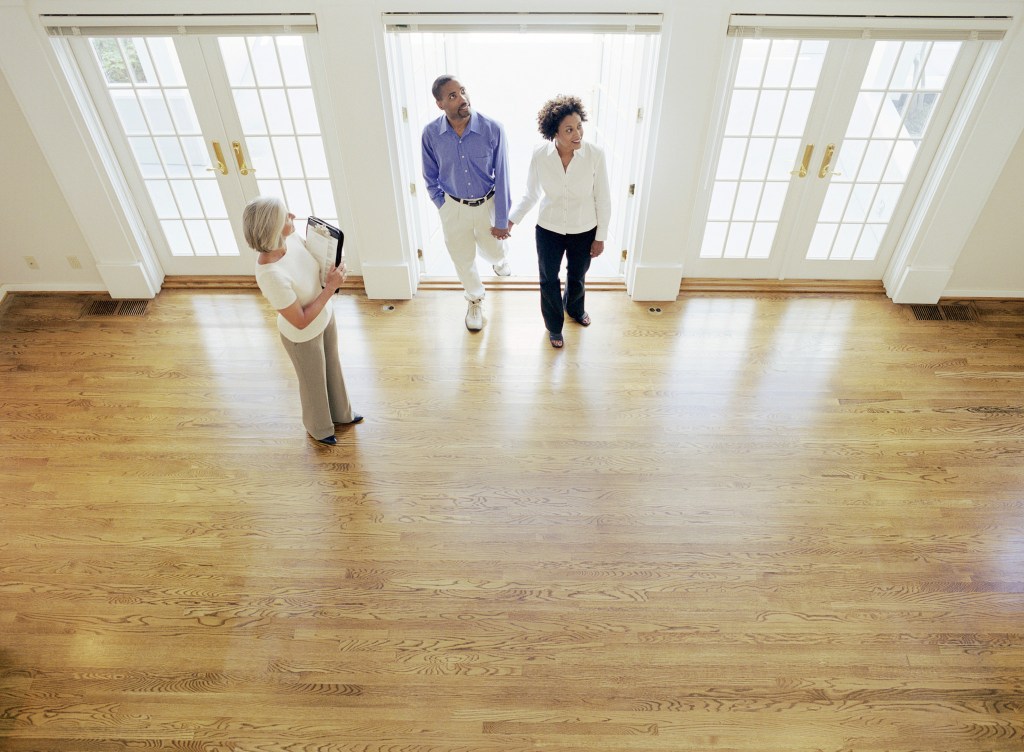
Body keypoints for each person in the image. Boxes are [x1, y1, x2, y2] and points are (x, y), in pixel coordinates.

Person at [243, 196, 362, 446]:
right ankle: (319, 428)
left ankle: (342, 414)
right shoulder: (270, 275)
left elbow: (311, 262)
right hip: (303, 336)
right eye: (286, 216)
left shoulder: (290, 239)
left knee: (333, 367)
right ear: (273, 229)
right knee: (313, 384)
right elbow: (300, 321)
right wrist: (331, 288)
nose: (293, 216)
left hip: (325, 317)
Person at [508, 95, 611, 348]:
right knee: (548, 278)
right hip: (549, 229)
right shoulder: (540, 155)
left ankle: (575, 310)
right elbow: (531, 193)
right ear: (554, 132)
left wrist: (600, 237)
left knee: (577, 276)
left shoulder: (595, 154)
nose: (577, 134)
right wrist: (511, 220)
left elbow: (603, 199)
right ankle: (554, 326)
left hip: (584, 228)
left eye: (579, 126)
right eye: (569, 129)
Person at [422, 74, 512, 331]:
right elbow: (429, 175)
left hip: (488, 205)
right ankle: (474, 298)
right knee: (462, 258)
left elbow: (503, 175)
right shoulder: (430, 134)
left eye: (462, 91)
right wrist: (443, 205)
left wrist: (503, 219)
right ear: (440, 104)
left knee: (494, 249)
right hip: (453, 207)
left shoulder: (492, 129)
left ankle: (498, 261)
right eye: (452, 96)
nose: (462, 98)